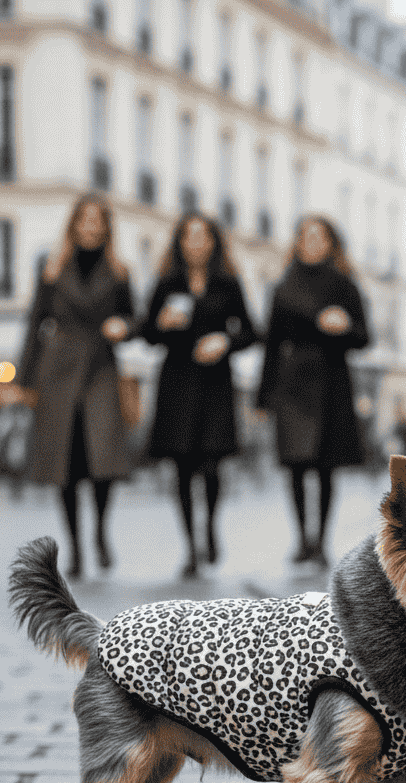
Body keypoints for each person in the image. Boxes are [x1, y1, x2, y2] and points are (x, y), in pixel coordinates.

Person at [17, 194, 134, 579]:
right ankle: (77, 547)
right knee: (65, 465)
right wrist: (25, 379)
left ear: (106, 227)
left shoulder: (119, 271)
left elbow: (134, 317)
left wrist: (124, 326)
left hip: (100, 367)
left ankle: (101, 530)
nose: (91, 226)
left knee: (103, 461)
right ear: (73, 225)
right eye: (84, 220)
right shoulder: (52, 269)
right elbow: (36, 323)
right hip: (59, 371)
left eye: (98, 220)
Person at [141, 214, 257, 578]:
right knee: (182, 467)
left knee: (211, 464)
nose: (196, 243)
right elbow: (146, 333)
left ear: (214, 242)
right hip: (177, 381)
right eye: (189, 236)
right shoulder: (166, 283)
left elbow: (253, 331)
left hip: (215, 384)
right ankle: (190, 546)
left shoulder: (229, 284)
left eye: (203, 236)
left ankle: (210, 528)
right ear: (179, 242)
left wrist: (225, 340)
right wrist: (162, 325)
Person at [257, 216, 371, 568]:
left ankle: (320, 541)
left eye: (320, 236)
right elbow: (271, 343)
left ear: (331, 243)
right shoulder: (282, 286)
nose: (313, 242)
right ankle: (302, 539)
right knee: (294, 465)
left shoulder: (345, 286)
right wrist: (264, 395)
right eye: (306, 235)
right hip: (292, 385)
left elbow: (364, 338)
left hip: (332, 382)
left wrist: (345, 326)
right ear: (297, 241)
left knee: (325, 468)